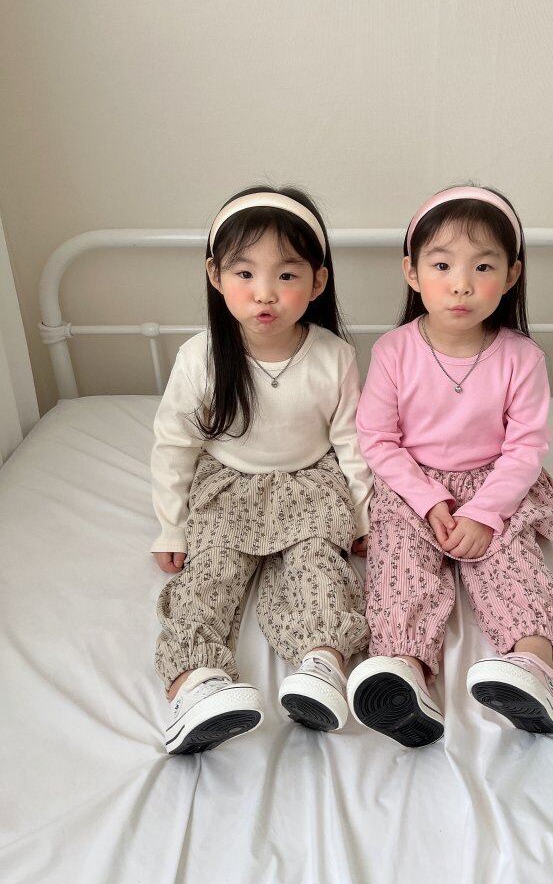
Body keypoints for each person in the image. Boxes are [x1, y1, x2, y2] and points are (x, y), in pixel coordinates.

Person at [151, 186, 372, 754]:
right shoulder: (199, 357)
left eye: (287, 275)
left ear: (318, 282)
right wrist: (171, 525)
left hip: (310, 483)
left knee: (320, 569)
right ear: (215, 276)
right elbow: (174, 444)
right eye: (244, 274)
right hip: (228, 486)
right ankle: (195, 684)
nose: (265, 293)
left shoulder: (334, 356)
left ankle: (321, 665)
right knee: (208, 577)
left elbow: (352, 441)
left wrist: (363, 516)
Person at [348, 185, 553, 747]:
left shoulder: (522, 357)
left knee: (512, 561)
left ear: (511, 275)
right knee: (400, 563)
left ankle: (532, 666)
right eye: (442, 265)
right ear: (413, 272)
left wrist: (486, 513)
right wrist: (429, 502)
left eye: (483, 267)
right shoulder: (394, 351)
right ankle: (405, 672)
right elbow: (378, 439)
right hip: (413, 484)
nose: (462, 284)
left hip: (496, 482)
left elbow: (525, 448)